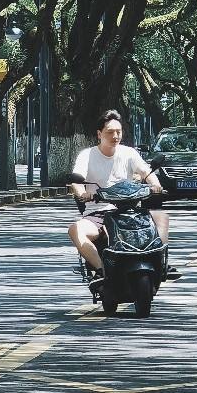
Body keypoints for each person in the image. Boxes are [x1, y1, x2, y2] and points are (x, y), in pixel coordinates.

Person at [68, 109, 180, 284]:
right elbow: (76, 181)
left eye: (118, 132)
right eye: (110, 132)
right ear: (99, 134)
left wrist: (155, 184)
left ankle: (161, 264)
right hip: (98, 213)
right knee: (75, 229)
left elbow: (146, 172)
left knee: (161, 218)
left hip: (130, 210)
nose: (115, 136)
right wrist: (83, 193)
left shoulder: (129, 153)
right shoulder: (87, 155)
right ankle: (100, 270)